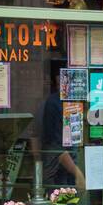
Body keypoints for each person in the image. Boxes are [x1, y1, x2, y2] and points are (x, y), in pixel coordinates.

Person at [30, 65, 86, 195]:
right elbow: (55, 147)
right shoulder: (53, 103)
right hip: (59, 175)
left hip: (63, 172)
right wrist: (78, 174)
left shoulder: (70, 103)